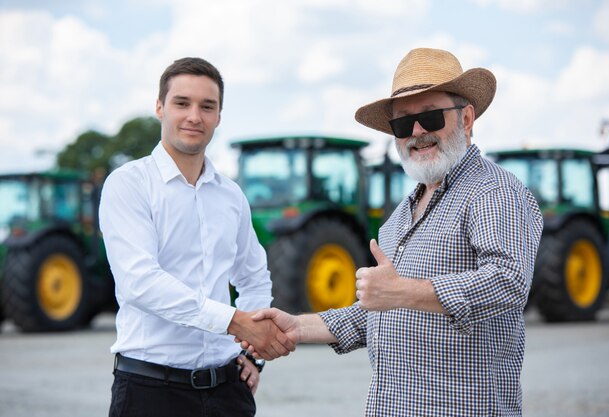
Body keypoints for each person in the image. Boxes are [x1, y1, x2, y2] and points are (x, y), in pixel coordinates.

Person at [241, 48, 544, 416]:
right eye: (403, 124)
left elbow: (509, 281)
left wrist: (402, 291)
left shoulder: (492, 191)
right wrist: (298, 326)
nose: (417, 132)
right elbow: (381, 312)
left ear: (466, 119)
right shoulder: (400, 215)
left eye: (430, 117)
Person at [99, 57, 294, 417]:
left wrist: (251, 354)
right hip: (150, 392)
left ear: (219, 116)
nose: (194, 116)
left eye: (208, 106)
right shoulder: (129, 184)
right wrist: (235, 322)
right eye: (182, 103)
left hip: (227, 391)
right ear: (159, 107)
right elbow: (140, 282)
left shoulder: (231, 195)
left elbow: (253, 276)